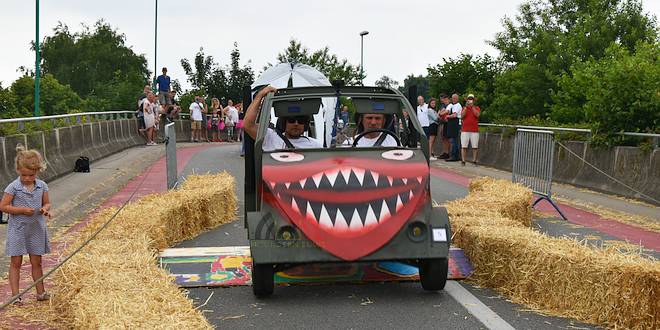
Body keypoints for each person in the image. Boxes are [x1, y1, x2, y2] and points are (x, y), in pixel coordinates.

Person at [0, 145, 52, 305]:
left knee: (37, 262)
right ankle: (15, 295)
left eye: (31, 175)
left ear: (37, 171)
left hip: (36, 229)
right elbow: (3, 206)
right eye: (24, 175)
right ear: (18, 170)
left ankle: (40, 292)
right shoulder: (13, 187)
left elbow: (47, 203)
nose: (28, 178)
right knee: (16, 263)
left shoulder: (42, 185)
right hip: (18, 230)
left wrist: (45, 209)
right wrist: (21, 210)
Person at [244, 86, 322, 151]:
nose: (296, 124)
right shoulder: (270, 138)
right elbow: (248, 125)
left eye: (301, 121)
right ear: (284, 122)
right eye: (291, 120)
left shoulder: (315, 145)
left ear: (305, 124)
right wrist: (260, 95)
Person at [460, 94, 481, 165]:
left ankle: (474, 160)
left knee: (475, 146)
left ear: (474, 100)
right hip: (465, 130)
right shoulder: (464, 108)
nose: (470, 100)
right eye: (469, 99)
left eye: (471, 99)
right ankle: (463, 160)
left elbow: (477, 115)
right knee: (464, 146)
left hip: (474, 130)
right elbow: (462, 116)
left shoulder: (477, 107)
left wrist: (472, 107)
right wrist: (466, 107)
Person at [445, 94, 462, 162]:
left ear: (457, 99)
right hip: (452, 124)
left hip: (456, 124)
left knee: (454, 140)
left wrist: (447, 116)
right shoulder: (452, 105)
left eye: (455, 98)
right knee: (452, 140)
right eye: (452, 98)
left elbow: (454, 115)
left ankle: (454, 156)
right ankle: (454, 155)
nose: (453, 99)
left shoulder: (458, 105)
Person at [437, 94, 451, 159]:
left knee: (447, 139)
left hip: (447, 123)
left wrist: (440, 114)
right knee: (444, 138)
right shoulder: (443, 105)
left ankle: (447, 152)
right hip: (443, 123)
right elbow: (439, 114)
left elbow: (442, 113)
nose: (443, 100)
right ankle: (445, 152)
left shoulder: (449, 105)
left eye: (445, 99)